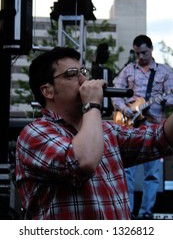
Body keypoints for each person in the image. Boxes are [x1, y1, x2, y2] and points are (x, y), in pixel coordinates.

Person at [15, 46, 173, 220]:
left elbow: (160, 137)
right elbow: (83, 161)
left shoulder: (106, 130)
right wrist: (92, 105)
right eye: (72, 74)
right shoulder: (34, 134)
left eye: (83, 71)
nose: (84, 79)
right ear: (48, 90)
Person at [112, 35, 173, 219]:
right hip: (129, 127)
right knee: (126, 173)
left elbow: (172, 98)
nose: (141, 56)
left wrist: (164, 100)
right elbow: (115, 93)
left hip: (154, 127)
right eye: (137, 53)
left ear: (152, 49)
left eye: (144, 52)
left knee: (152, 175)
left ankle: (146, 214)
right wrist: (125, 109)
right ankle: (128, 213)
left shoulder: (165, 72)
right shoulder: (128, 70)